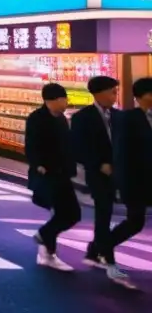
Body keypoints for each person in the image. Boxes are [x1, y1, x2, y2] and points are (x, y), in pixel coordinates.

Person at [25, 82, 80, 272]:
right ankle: (48, 252)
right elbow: (31, 145)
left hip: (63, 173)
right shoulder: (37, 118)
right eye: (64, 99)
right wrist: (39, 165)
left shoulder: (61, 119)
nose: (66, 102)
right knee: (63, 212)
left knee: (72, 214)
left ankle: (44, 239)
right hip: (47, 174)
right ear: (53, 100)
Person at [69, 76, 120, 272]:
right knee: (104, 212)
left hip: (118, 171)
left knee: (110, 213)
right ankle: (106, 255)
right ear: (98, 94)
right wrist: (99, 165)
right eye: (112, 92)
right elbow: (79, 148)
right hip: (97, 173)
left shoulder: (119, 116)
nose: (115, 96)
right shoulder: (82, 117)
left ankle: (96, 249)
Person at [106, 76, 152, 289]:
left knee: (137, 220)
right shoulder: (128, 119)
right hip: (135, 181)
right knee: (136, 221)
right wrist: (122, 182)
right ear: (142, 96)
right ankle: (104, 246)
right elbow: (122, 154)